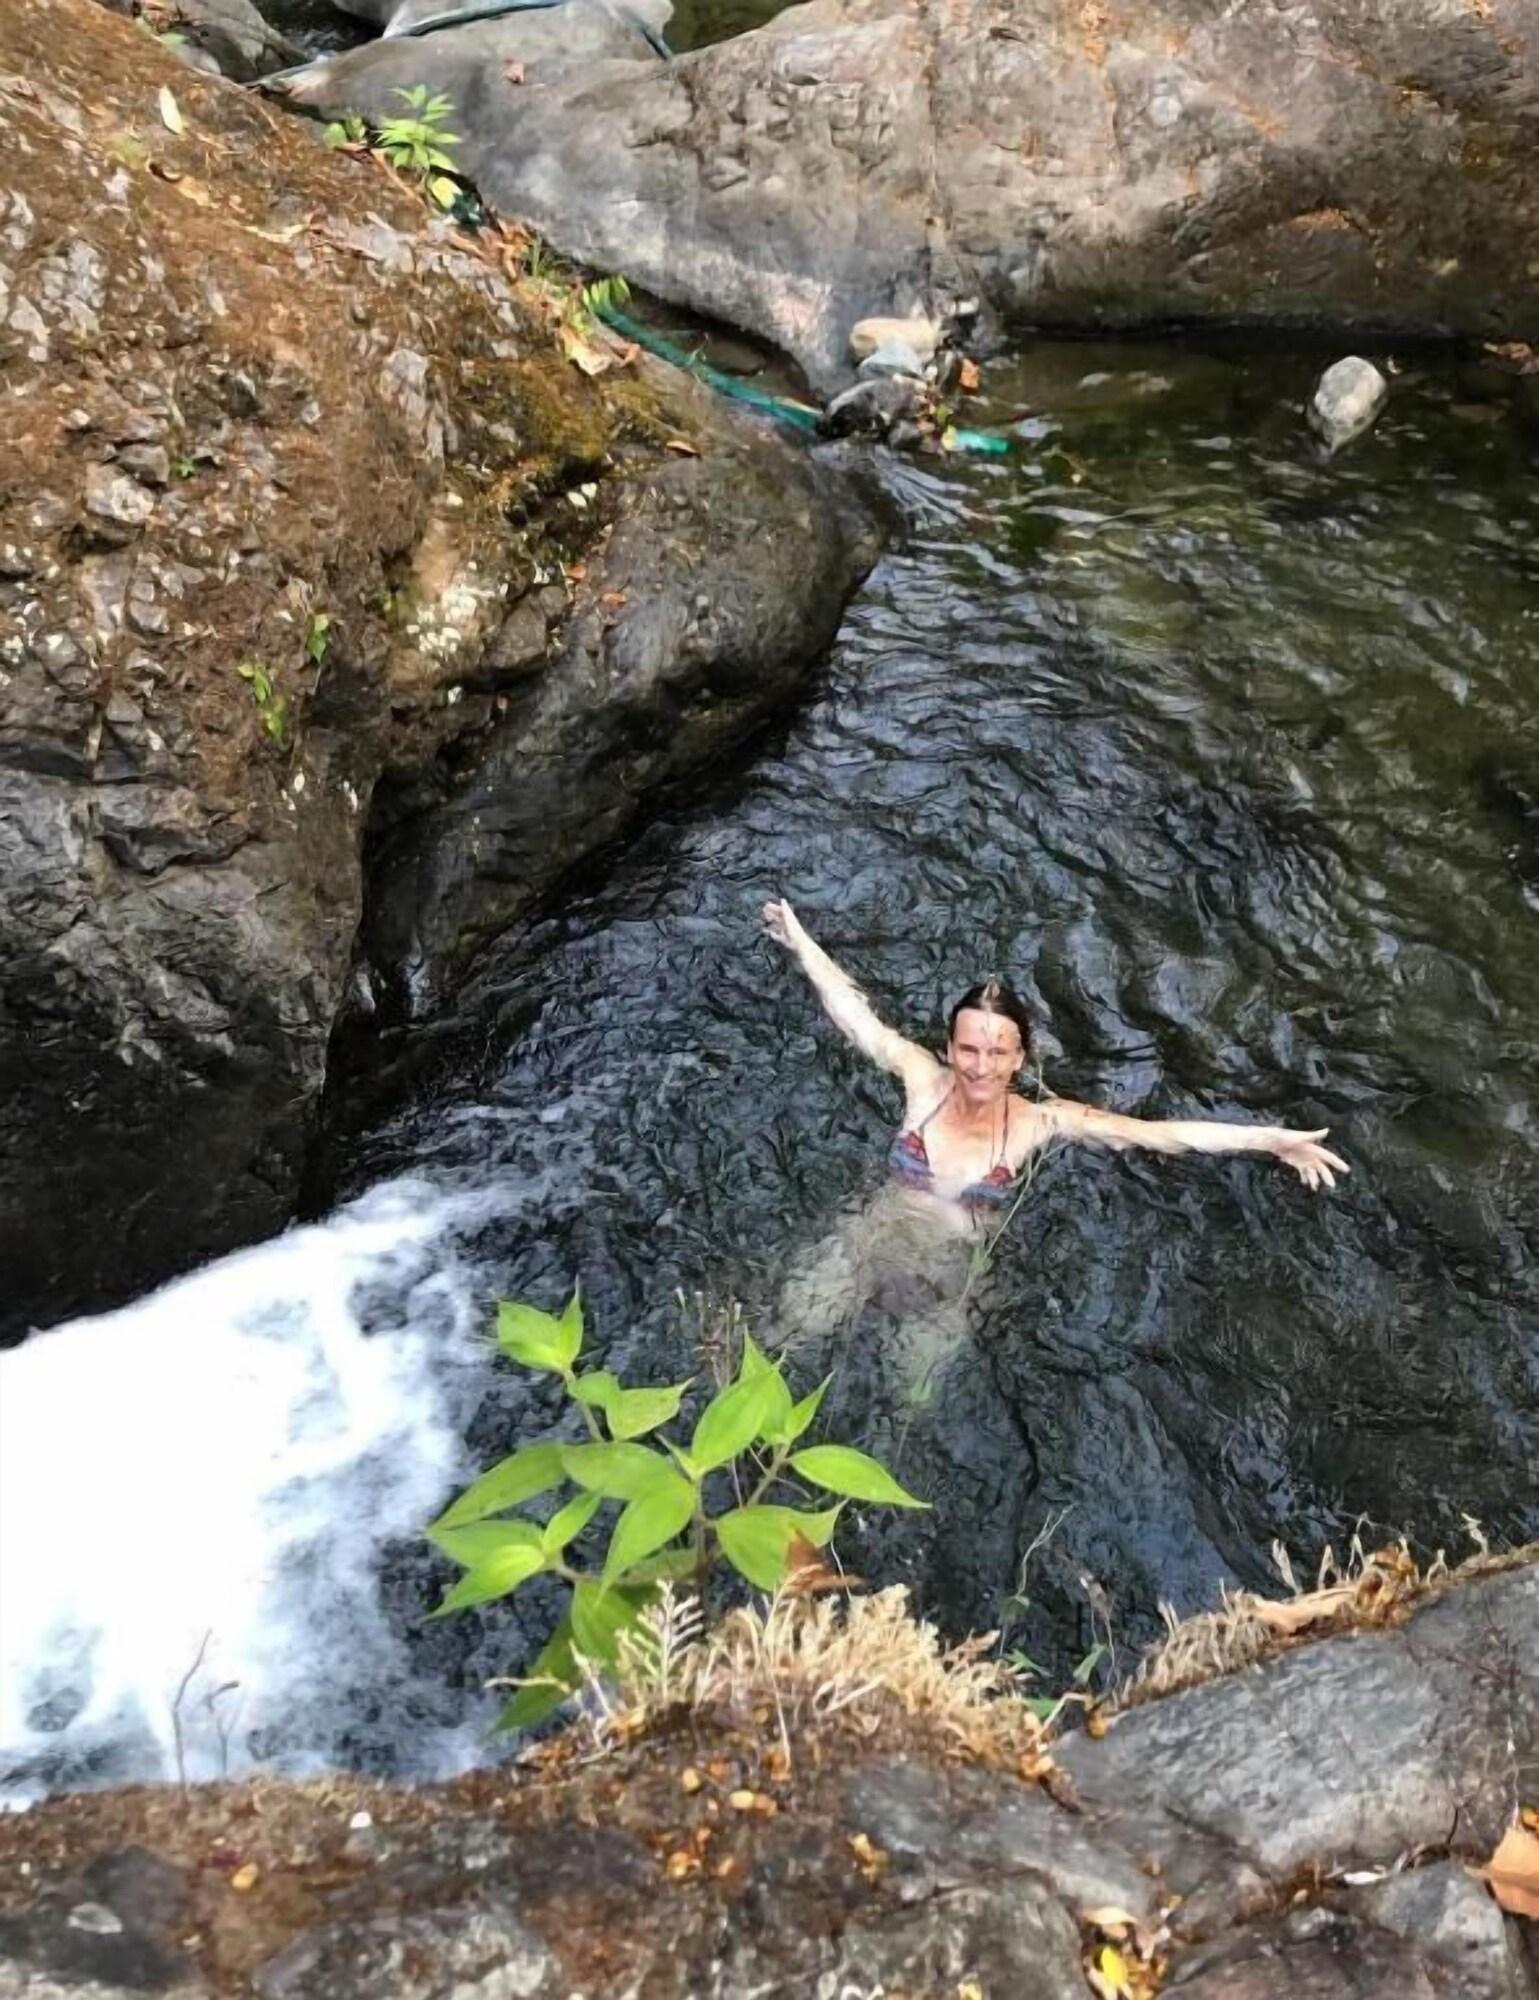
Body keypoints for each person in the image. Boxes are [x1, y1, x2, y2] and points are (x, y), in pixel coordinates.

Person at [761, 898, 1348, 1225]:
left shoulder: (1043, 1120)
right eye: (969, 1049)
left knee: (908, 1396)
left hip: (945, 1284)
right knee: (782, 1337)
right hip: (867, 1241)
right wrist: (801, 943)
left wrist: (1267, 1140)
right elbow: (858, 1019)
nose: (980, 1066)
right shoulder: (922, 1079)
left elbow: (1159, 1135)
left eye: (997, 1052)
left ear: (1019, 1059)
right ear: (949, 1049)